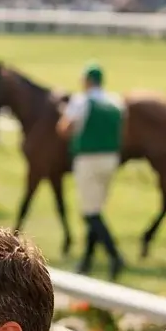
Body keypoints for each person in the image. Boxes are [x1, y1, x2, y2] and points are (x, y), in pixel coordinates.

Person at [56, 61, 126, 280]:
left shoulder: (81, 101)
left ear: (87, 80)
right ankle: (86, 261)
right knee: (96, 207)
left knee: (90, 213)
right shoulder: (115, 101)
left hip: (88, 159)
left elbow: (64, 129)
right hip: (111, 159)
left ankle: (115, 256)